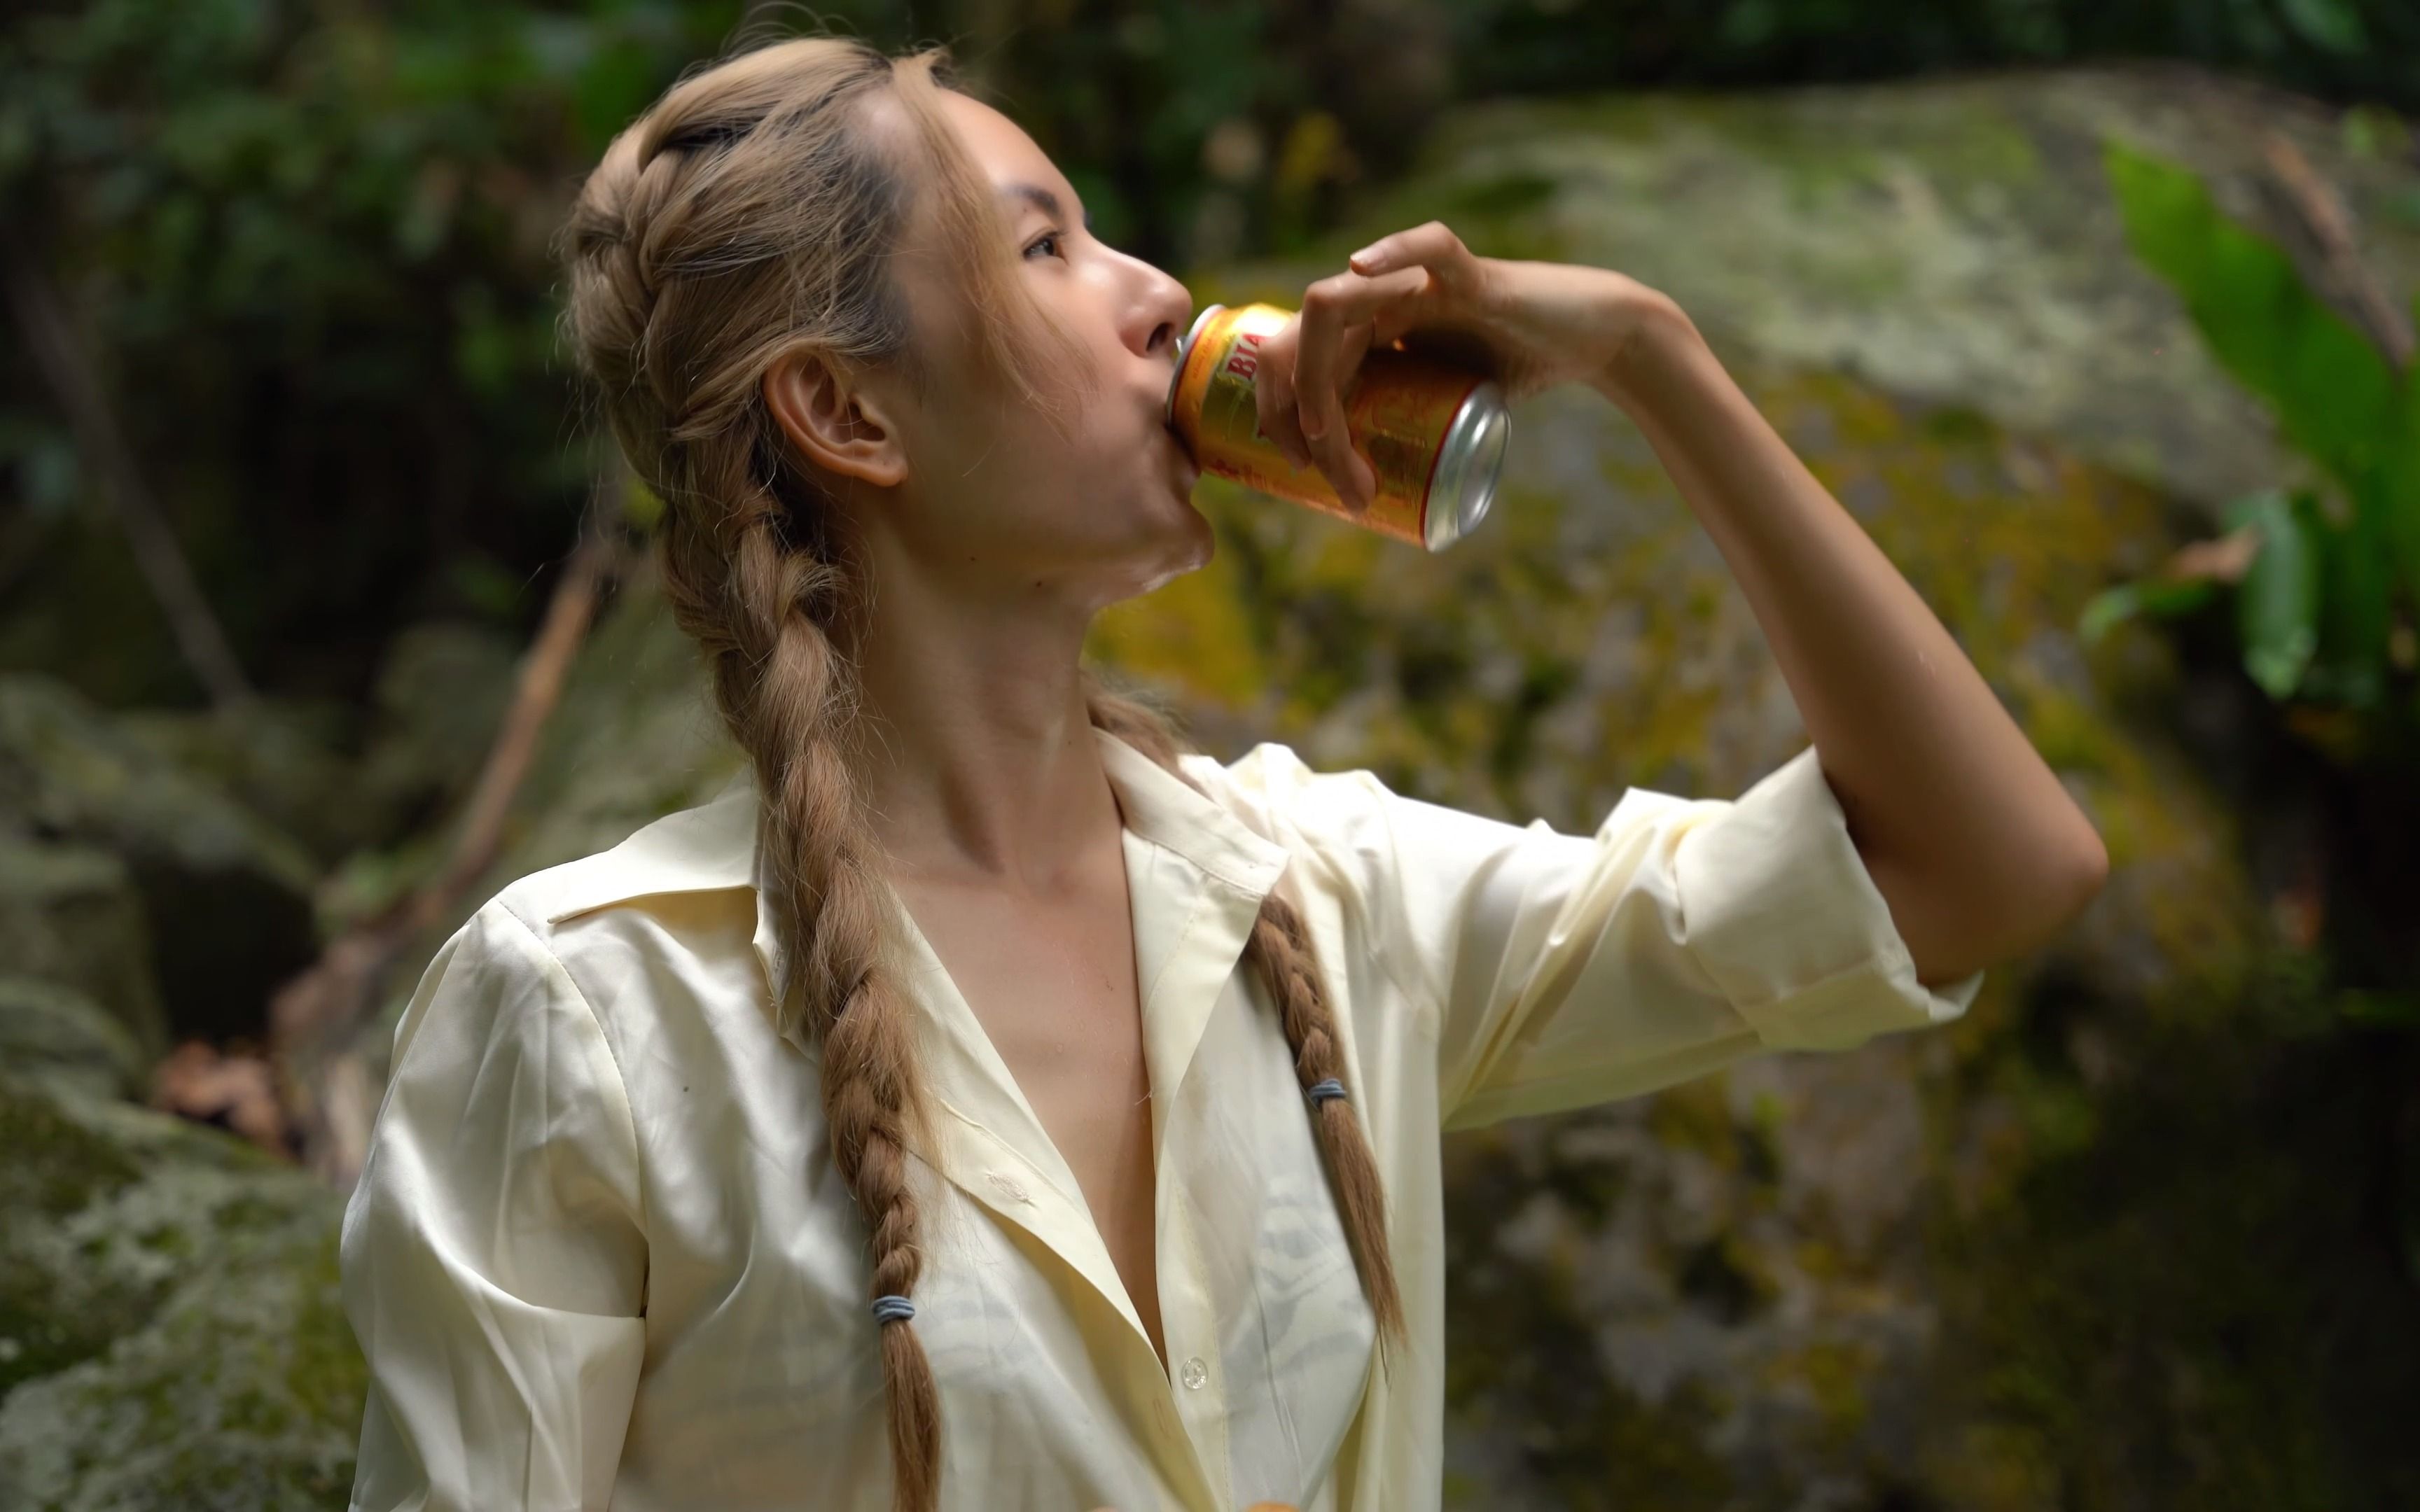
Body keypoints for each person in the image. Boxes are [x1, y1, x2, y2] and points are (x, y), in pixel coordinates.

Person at [336, 27, 2108, 1512]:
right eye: (1045, 249)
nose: (1160, 297)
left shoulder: (1320, 897)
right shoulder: (588, 1018)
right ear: (849, 414)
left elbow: (1986, 871)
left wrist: (1657, 360)